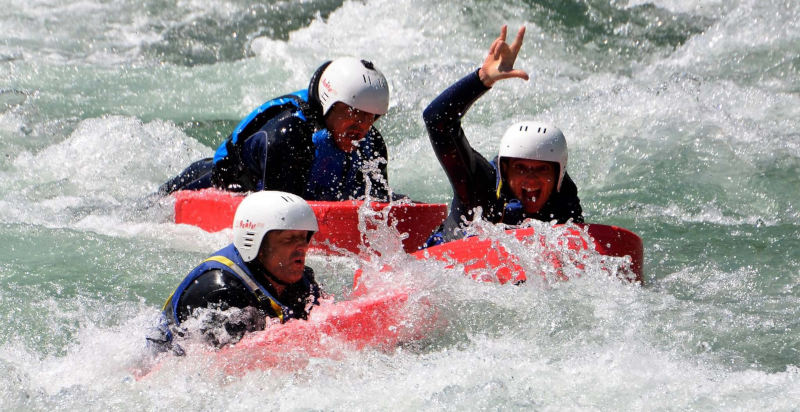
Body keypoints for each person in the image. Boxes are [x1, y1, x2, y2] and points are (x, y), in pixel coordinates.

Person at [422, 25, 583, 247]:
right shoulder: (478, 185)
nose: (531, 179)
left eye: (542, 169)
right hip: (443, 258)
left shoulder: (564, 198)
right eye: (521, 168)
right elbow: (436, 120)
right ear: (505, 170)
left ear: (558, 174)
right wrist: (482, 79)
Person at [158, 57, 394, 201]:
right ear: (329, 103)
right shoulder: (289, 133)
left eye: (371, 117)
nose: (363, 126)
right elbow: (278, 217)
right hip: (209, 182)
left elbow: (377, 204)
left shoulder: (371, 143)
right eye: (354, 113)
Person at [146, 191, 323, 354]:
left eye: (304, 238)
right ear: (258, 245)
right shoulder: (220, 292)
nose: (302, 247)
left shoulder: (302, 281)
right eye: (289, 239)